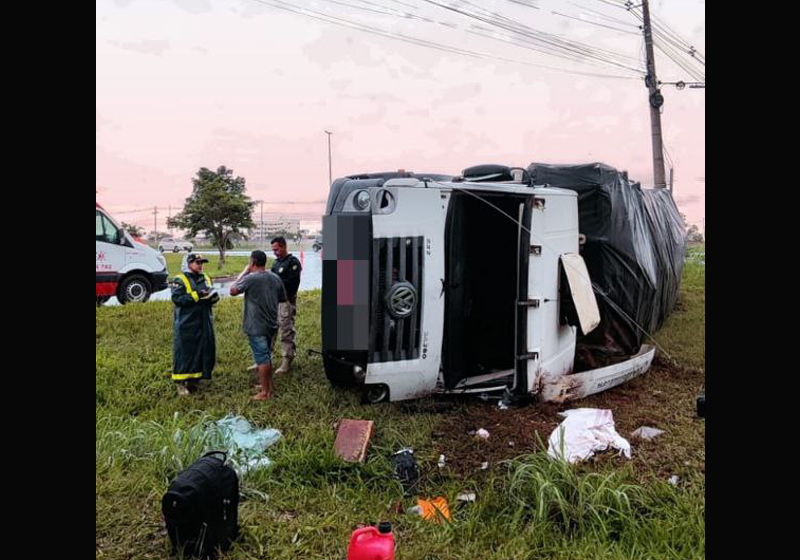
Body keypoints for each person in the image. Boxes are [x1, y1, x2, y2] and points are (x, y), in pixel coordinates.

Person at [231, 250, 286, 401]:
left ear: (252, 262)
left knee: (262, 358)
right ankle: (267, 385)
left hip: (256, 325)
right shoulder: (275, 278)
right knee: (266, 355)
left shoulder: (250, 278)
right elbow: (283, 298)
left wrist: (243, 272)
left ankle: (265, 393)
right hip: (271, 324)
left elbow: (233, 290)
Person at [170, 253, 219, 395]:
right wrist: (198, 295)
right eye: (197, 262)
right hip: (187, 322)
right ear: (189, 263)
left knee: (204, 349)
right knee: (185, 352)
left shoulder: (206, 277)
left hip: (204, 320)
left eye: (202, 262)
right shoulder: (180, 279)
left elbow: (210, 293)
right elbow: (177, 298)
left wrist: (213, 297)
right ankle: (180, 383)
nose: (200, 265)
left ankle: (195, 380)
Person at [270, 236, 302, 374]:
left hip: (286, 301)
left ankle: (287, 360)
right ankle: (266, 359)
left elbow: (293, 284)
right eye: (273, 250)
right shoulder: (276, 263)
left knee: (286, 330)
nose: (275, 252)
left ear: (284, 246)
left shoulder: (293, 262)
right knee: (270, 330)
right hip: (274, 301)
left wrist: (278, 287)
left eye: (276, 249)